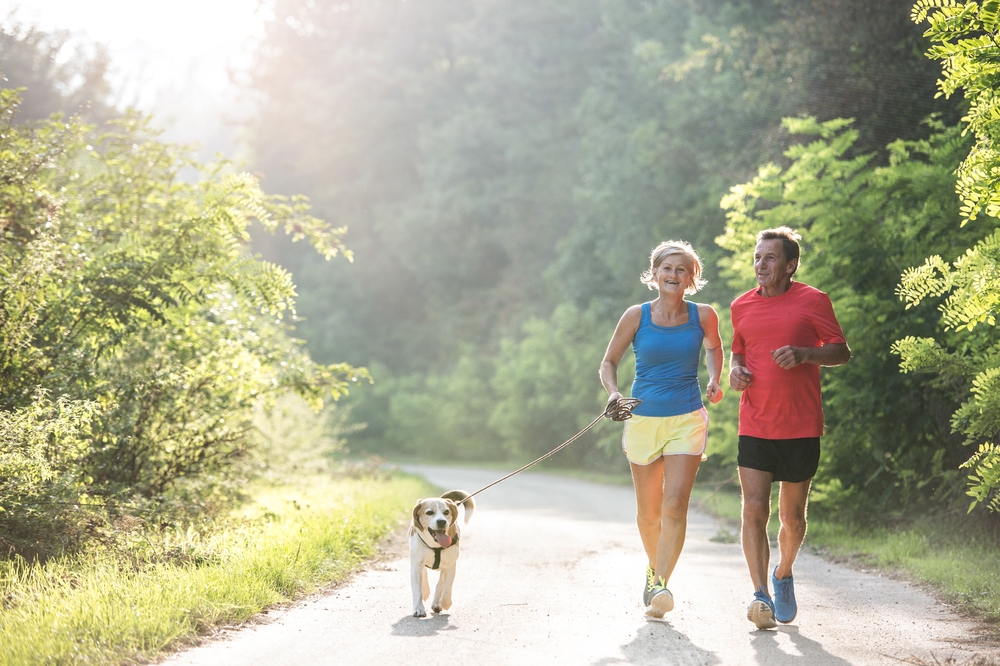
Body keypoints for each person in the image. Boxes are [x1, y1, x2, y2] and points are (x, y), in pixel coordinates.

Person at [728, 226, 851, 630]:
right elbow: (738, 352)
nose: (761, 265)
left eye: (770, 258)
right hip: (756, 421)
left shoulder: (814, 301)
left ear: (791, 264)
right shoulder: (741, 306)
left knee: (792, 519)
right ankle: (760, 594)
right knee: (753, 509)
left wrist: (803, 354)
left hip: (800, 424)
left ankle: (783, 573)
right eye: (757, 258)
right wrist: (736, 372)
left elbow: (840, 352)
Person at [600, 240, 724, 618]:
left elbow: (714, 348)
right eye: (667, 268)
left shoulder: (704, 315)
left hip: (687, 418)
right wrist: (615, 393)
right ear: (654, 274)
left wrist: (715, 378)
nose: (673, 275)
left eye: (681, 269)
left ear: (691, 276)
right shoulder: (636, 316)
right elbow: (609, 362)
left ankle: (661, 584)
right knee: (649, 512)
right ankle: (654, 570)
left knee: (675, 505)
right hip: (642, 420)